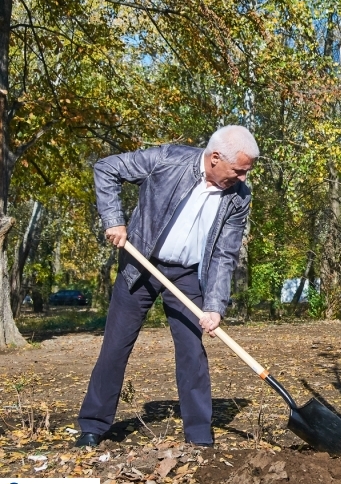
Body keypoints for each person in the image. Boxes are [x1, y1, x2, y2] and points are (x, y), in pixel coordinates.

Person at [75, 125, 259, 448]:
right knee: (115, 347)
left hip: (185, 275)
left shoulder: (238, 198)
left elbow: (225, 254)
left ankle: (200, 433)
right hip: (141, 263)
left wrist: (215, 305)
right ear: (215, 158)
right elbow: (107, 168)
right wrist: (113, 220)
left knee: (192, 351)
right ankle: (93, 425)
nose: (243, 178)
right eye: (239, 170)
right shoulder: (168, 159)